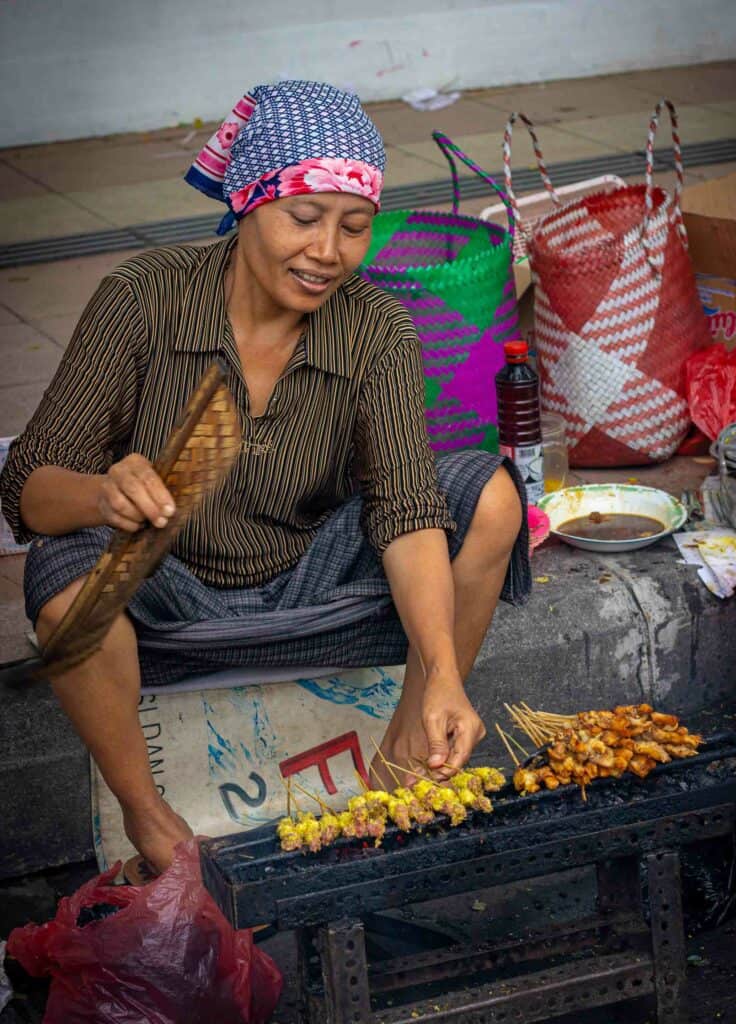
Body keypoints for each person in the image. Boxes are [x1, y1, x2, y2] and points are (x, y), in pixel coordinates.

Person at [0, 81, 530, 873]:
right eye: (304, 219)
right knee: (64, 572)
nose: (328, 253)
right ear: (248, 201)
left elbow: (404, 510)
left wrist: (444, 679)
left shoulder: (375, 325)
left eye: (354, 228)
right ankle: (149, 817)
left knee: (487, 497)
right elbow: (26, 492)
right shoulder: (142, 299)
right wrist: (101, 492)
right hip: (167, 590)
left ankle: (395, 772)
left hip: (311, 581)